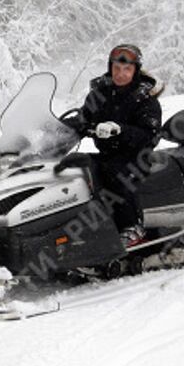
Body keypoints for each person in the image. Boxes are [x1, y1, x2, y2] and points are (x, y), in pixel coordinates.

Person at [74, 44, 163, 247]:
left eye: (127, 69)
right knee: (77, 166)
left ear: (135, 70)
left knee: (115, 172)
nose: (120, 74)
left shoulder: (144, 99)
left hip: (137, 157)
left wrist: (120, 130)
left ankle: (132, 226)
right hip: (107, 153)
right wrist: (58, 130)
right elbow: (82, 118)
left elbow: (150, 134)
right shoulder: (101, 93)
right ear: (110, 67)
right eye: (116, 68)